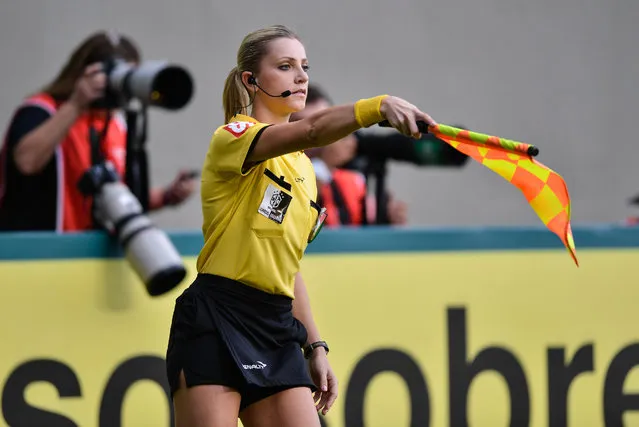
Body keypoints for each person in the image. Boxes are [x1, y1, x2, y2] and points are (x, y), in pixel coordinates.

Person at [164, 24, 436, 427]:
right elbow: (309, 129)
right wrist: (377, 107)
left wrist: (316, 346)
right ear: (251, 80)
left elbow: (288, 268)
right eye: (286, 66)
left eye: (304, 66)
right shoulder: (234, 136)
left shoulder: (305, 170)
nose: (301, 76)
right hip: (216, 315)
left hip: (275, 326)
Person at [0, 31, 196, 232]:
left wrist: (166, 196)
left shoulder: (115, 123)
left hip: (90, 256)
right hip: (38, 254)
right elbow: (26, 162)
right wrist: (77, 104)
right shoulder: (42, 110)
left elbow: (115, 196)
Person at [290, 84, 408, 227]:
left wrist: (385, 218)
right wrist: (325, 165)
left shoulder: (352, 167)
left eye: (323, 124)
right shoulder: (278, 165)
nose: (317, 135)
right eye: (305, 126)